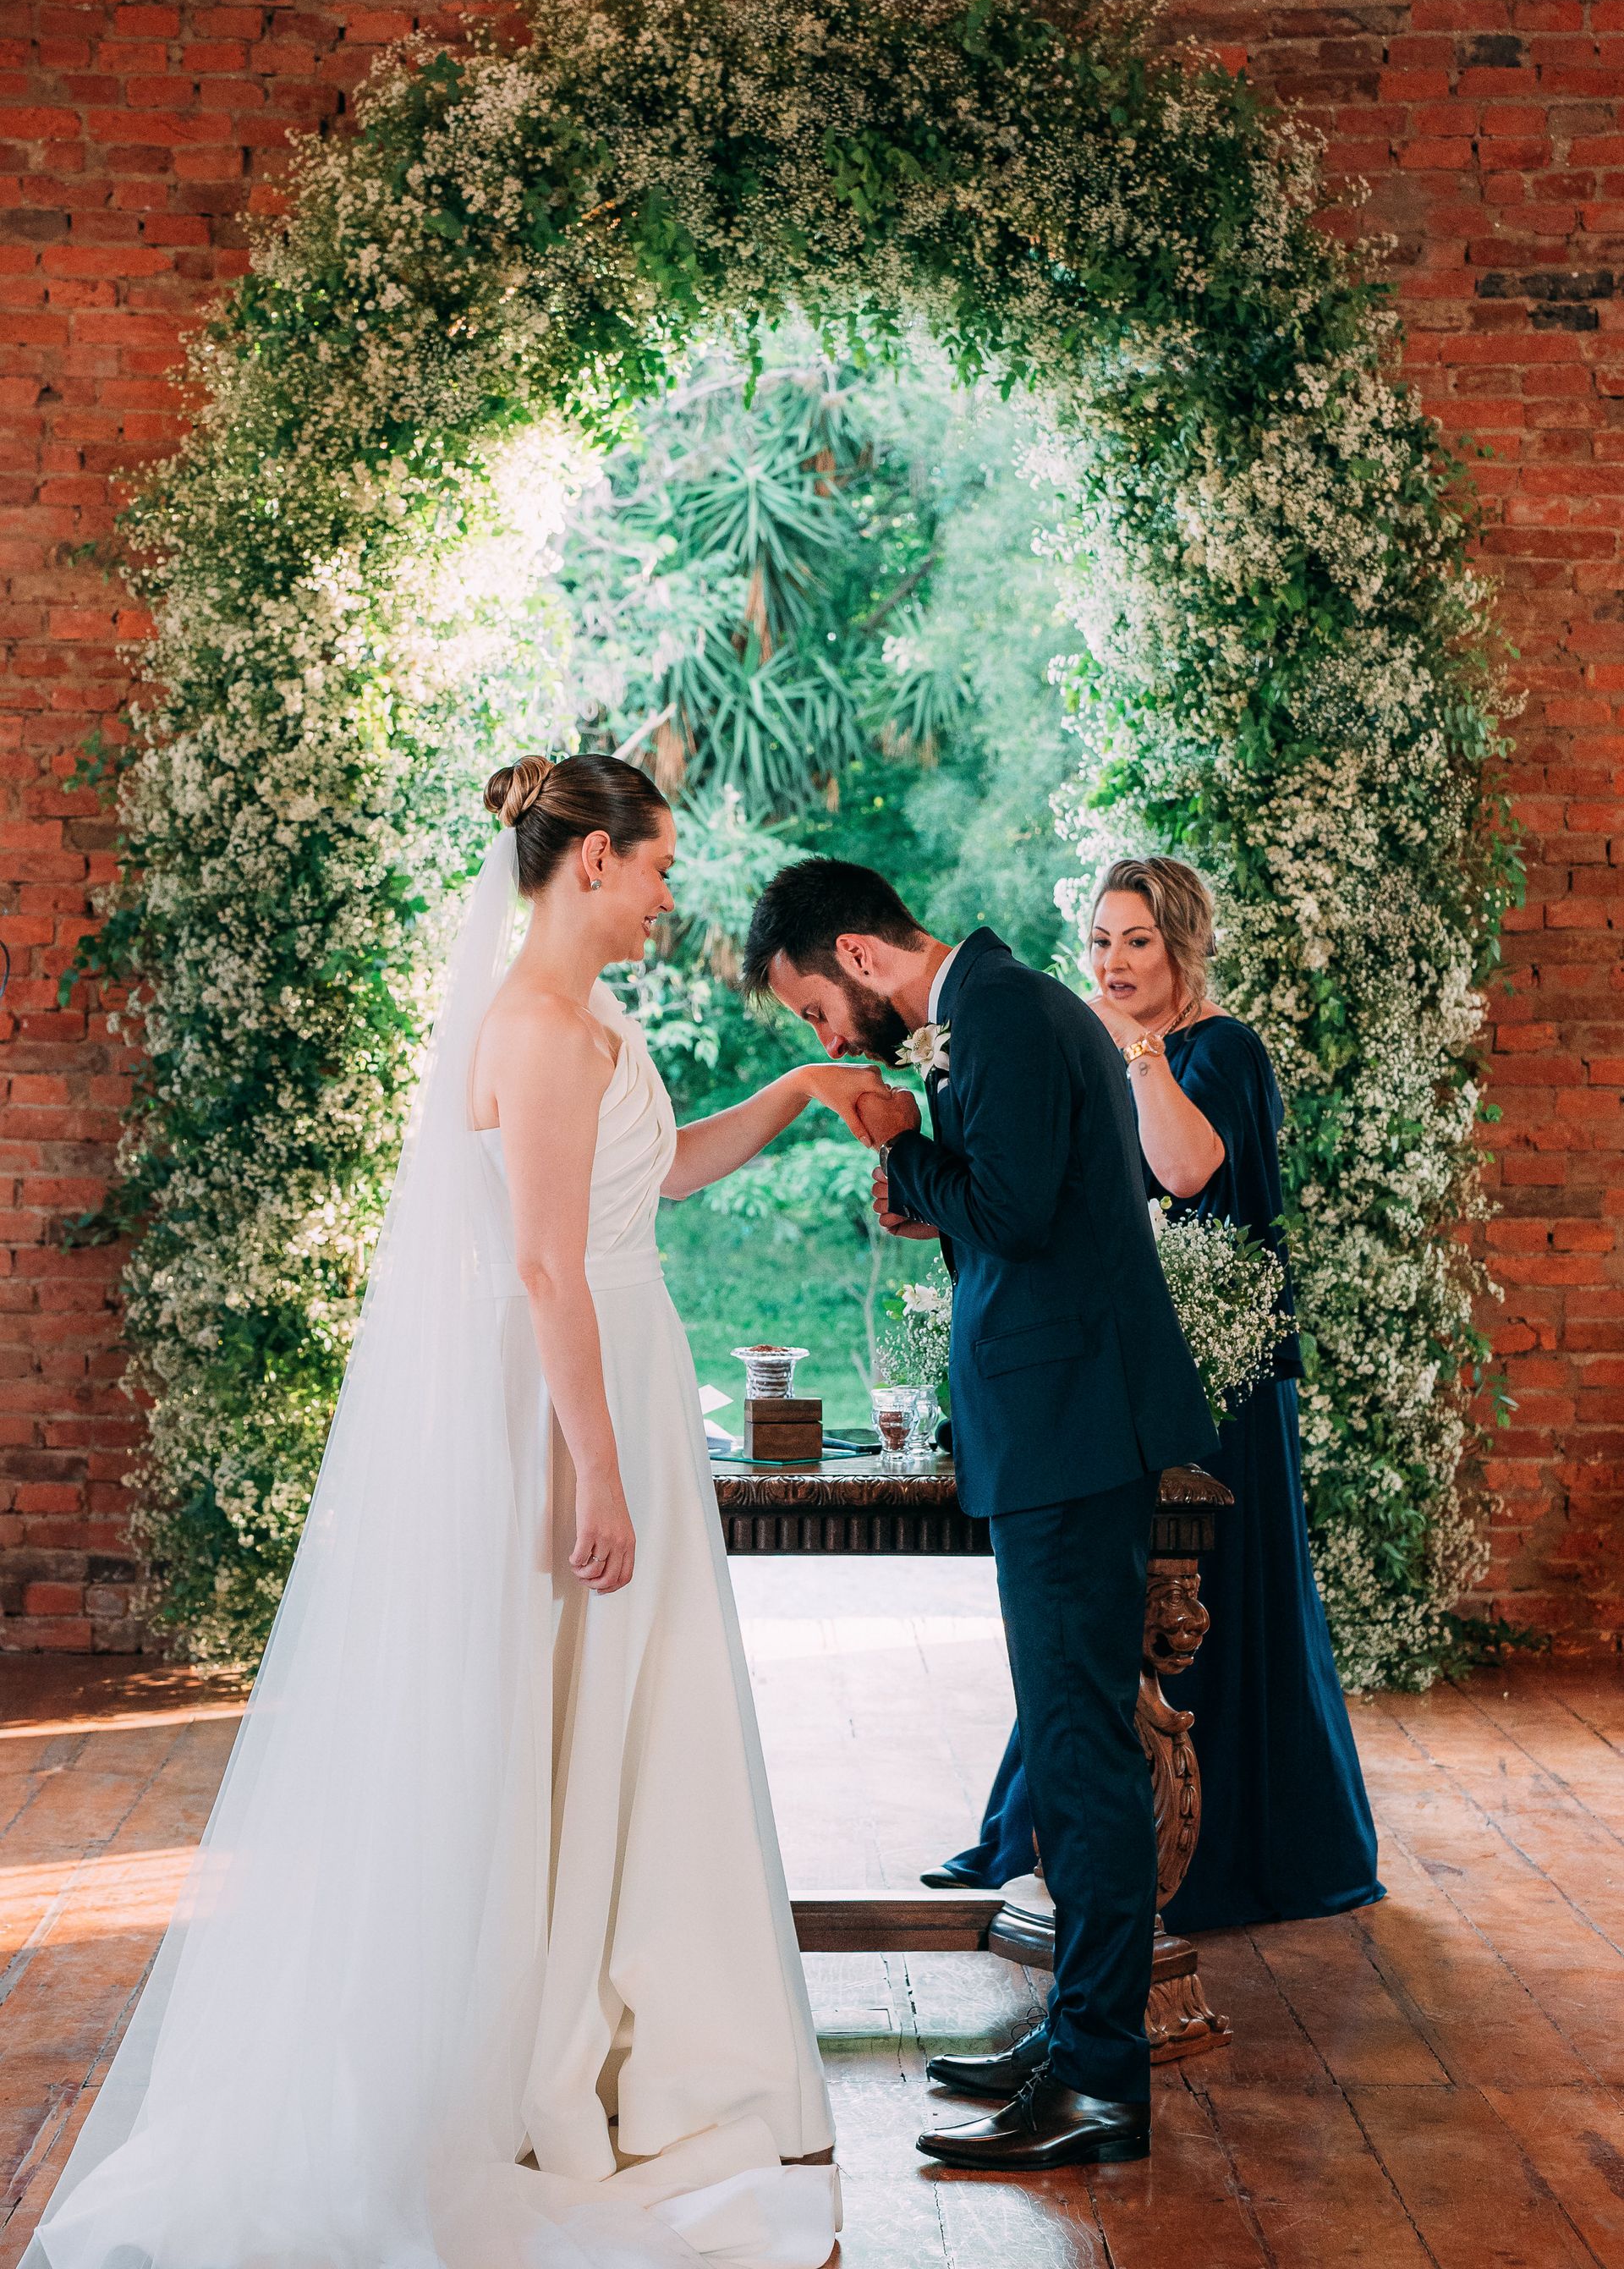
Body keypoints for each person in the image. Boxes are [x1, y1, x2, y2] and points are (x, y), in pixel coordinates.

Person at [27, 755, 903, 2269]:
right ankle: (531, 2049)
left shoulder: (594, 1021)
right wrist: (605, 1472)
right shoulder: (540, 1034)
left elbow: (657, 1185)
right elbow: (550, 1272)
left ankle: (620, 2025)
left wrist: (801, 1088)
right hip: (576, 1405)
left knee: (626, 1714)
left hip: (618, 1373)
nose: (666, 891)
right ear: (590, 866)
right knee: (551, 1710)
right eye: (654, 867)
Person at [743, 859, 1219, 2174]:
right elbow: (1034, 1211)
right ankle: (1076, 2038)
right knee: (1073, 1756)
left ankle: (1103, 2082)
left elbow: (1006, 1212)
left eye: (813, 1013)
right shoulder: (1002, 1008)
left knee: (1081, 1762)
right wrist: (928, 1176)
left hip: (1073, 1433)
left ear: (856, 955)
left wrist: (904, 1144)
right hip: (1065, 1424)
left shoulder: (1004, 1014)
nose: (826, 1041)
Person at [932, 855, 1383, 1937]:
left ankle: (1227, 1846)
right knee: (1106, 1605)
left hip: (1224, 1376)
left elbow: (1184, 1172)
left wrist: (1131, 1051)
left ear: (1181, 944)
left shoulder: (1220, 1050)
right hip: (1128, 1360)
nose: (1113, 961)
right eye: (1099, 941)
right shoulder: (1083, 1041)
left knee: (1213, 1609)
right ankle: (1072, 1830)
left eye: (1136, 941)